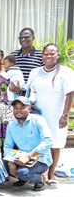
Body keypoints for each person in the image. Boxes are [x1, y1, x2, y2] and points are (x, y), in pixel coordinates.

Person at [25, 43, 74, 186]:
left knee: (54, 143)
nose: (49, 56)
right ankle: (39, 172)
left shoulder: (65, 72)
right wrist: (30, 106)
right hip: (38, 113)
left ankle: (51, 173)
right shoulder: (35, 72)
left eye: (52, 53)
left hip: (57, 114)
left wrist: (65, 115)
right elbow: (29, 91)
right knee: (38, 142)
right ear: (42, 56)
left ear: (58, 55)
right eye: (46, 54)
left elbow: (70, 94)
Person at [4, 97, 52, 192]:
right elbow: (7, 146)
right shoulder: (11, 125)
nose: (18, 110)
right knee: (2, 166)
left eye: (22, 107)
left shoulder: (38, 120)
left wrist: (29, 155)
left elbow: (48, 141)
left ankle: (40, 180)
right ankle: (22, 177)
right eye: (15, 107)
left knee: (23, 172)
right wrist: (11, 161)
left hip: (40, 158)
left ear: (29, 109)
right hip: (20, 157)